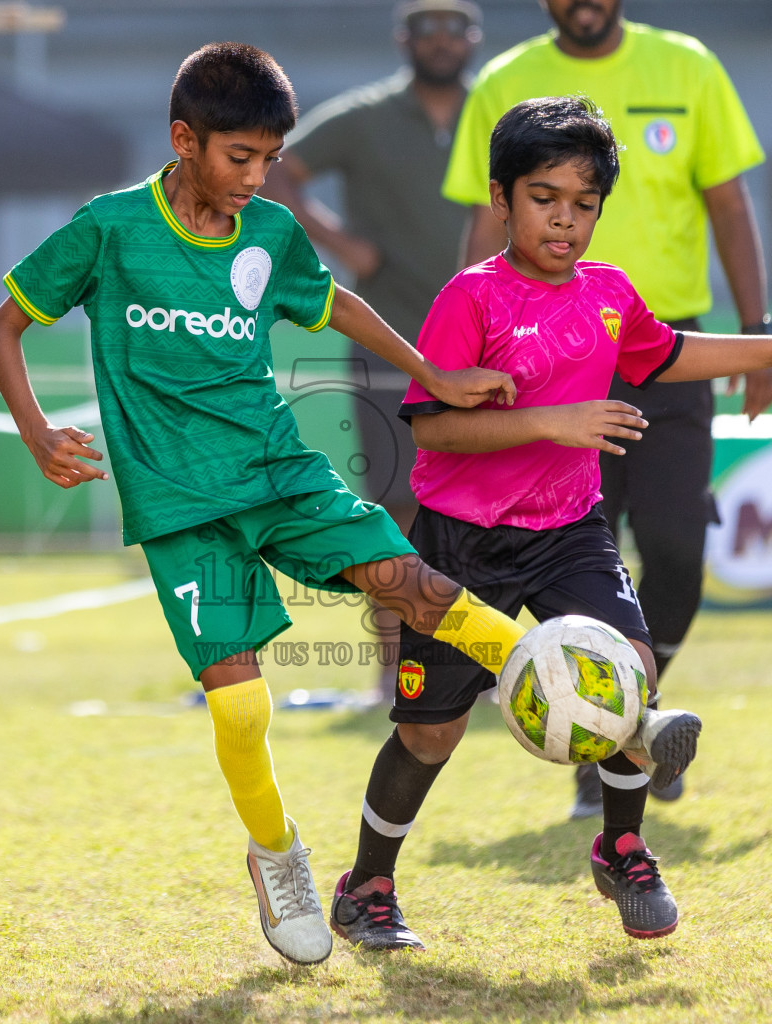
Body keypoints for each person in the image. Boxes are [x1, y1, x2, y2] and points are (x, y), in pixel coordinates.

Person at [0, 42, 536, 966]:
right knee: (240, 712)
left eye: (270, 159)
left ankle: (559, 678)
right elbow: (4, 327)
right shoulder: (111, 228)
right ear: (184, 140)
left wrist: (432, 371)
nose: (256, 176)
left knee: (415, 584)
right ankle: (278, 857)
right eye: (240, 158)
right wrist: (38, 432)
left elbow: (338, 304)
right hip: (179, 508)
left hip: (280, 473)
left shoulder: (270, 232)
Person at [328, 96, 772, 950]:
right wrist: (558, 420)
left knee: (630, 671)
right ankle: (367, 888)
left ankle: (622, 846)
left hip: (569, 533)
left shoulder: (609, 294)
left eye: (584, 204)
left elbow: (673, 352)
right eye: (545, 198)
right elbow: (433, 426)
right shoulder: (469, 299)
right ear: (502, 199)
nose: (565, 220)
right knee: (429, 733)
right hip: (460, 543)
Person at [443, 0, 772, 815]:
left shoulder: (688, 65)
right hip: (539, 358)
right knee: (584, 552)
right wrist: (470, 356)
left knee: (674, 546)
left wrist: (760, 331)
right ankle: (616, 732)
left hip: (666, 348)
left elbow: (730, 203)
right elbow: (477, 228)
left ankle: (622, 710)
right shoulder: (503, 80)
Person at [262, 0, 483, 696]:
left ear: (473, 40)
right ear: (404, 39)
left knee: (493, 508)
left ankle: (488, 664)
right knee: (395, 508)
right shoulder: (363, 117)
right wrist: (339, 243)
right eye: (428, 30)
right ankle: (398, 676)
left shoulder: (497, 114)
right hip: (387, 340)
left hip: (487, 344)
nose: (442, 42)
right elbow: (275, 170)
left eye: (455, 30)